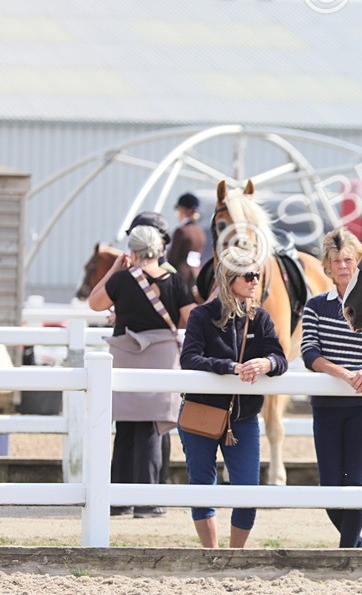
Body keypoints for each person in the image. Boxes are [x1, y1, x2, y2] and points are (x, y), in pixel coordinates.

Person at [179, 246, 287, 548]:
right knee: (201, 486)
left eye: (257, 275)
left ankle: (235, 555)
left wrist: (267, 363)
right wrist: (229, 367)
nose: (255, 281)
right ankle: (211, 554)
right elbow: (189, 359)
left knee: (248, 490)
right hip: (202, 412)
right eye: (249, 275)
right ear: (228, 279)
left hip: (243, 419)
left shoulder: (262, 318)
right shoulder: (202, 316)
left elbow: (281, 357)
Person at [88, 225, 196, 518]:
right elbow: (191, 319)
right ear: (159, 251)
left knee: (125, 429)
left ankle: (118, 500)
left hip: (125, 358)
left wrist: (113, 270)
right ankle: (147, 500)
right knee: (151, 429)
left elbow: (95, 302)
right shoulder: (175, 282)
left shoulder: (122, 280)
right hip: (161, 360)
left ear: (132, 251)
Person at [301, 228, 362, 548]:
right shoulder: (316, 306)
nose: (342, 266)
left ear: (358, 262)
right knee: (329, 487)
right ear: (327, 267)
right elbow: (309, 352)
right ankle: (356, 545)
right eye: (335, 261)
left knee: (354, 482)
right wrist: (343, 373)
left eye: (348, 259)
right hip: (326, 405)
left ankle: (348, 551)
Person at [166, 192, 209, 303]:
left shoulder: (181, 231)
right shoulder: (200, 232)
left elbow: (172, 259)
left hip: (180, 278)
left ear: (184, 210)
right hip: (196, 275)